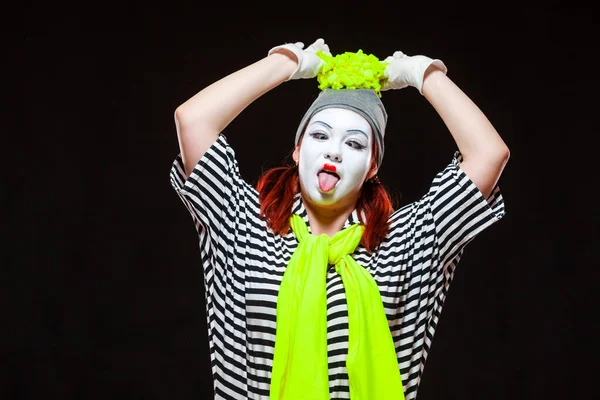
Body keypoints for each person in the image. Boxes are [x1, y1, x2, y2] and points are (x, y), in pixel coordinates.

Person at [170, 38, 509, 400]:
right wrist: (288, 63)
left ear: (372, 167)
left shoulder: (411, 240)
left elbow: (489, 154)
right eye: (320, 135)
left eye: (354, 143)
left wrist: (421, 72)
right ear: (298, 149)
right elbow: (192, 121)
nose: (334, 150)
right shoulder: (241, 222)